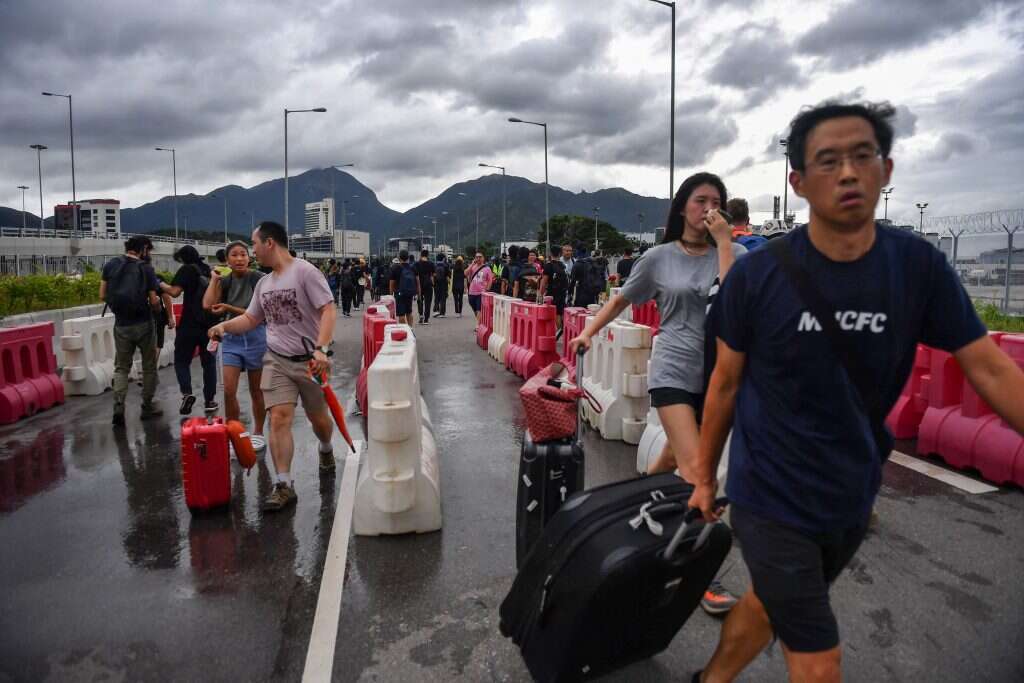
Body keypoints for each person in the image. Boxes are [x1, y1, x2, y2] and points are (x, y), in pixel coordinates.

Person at [688, 102, 1024, 683]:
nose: (847, 172)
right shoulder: (757, 276)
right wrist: (701, 477)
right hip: (768, 491)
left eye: (862, 156)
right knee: (819, 662)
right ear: (798, 181)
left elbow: (991, 371)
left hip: (850, 490)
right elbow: (725, 382)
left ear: (885, 170)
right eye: (828, 160)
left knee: (770, 604)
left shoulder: (917, 268)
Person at [570, 172, 746, 617]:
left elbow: (735, 305)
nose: (709, 208)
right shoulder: (659, 258)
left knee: (671, 459)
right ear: (682, 206)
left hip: (718, 380)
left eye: (717, 202)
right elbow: (621, 300)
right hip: (671, 371)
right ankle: (698, 571)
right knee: (699, 473)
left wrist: (725, 245)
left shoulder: (736, 254)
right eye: (700, 200)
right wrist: (589, 332)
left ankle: (632, 511)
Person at [208, 221, 338, 512]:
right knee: (278, 418)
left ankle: (326, 447)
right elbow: (251, 319)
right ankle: (283, 484)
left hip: (310, 362)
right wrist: (224, 327)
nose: (252, 251)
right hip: (275, 360)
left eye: (254, 244)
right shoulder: (264, 284)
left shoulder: (305, 272)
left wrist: (321, 349)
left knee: (319, 421)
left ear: (269, 243)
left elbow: (328, 309)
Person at [202, 240, 267, 452]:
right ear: (227, 259)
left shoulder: (259, 279)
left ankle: (258, 432)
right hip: (231, 339)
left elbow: (259, 313)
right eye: (234, 255)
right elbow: (207, 304)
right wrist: (214, 280)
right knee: (229, 391)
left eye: (243, 254)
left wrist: (229, 308)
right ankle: (235, 434)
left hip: (257, 337)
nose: (239, 259)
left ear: (249, 258)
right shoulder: (225, 280)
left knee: (257, 391)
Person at [101, 236, 164, 426]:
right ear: (143, 249)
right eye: (149, 250)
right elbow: (153, 300)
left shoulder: (111, 265)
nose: (149, 254)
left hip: (121, 325)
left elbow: (102, 294)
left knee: (121, 367)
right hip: (144, 323)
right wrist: (158, 311)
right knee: (149, 366)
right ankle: (147, 406)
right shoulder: (146, 269)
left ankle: (119, 406)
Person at [162, 245, 218, 415]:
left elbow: (174, 292)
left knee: (181, 361)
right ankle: (210, 401)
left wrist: (159, 283)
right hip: (209, 325)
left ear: (183, 258)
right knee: (209, 364)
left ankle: (187, 393)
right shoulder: (208, 270)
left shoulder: (187, 269)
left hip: (188, 324)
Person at [539, 243, 570, 332]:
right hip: (562, 293)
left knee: (553, 314)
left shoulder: (548, 266)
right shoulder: (563, 266)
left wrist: (541, 294)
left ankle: (555, 332)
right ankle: (561, 332)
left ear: (550, 253)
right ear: (560, 254)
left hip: (552, 294)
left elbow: (544, 282)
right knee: (560, 313)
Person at [389, 249, 419, 326]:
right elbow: (417, 282)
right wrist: (418, 293)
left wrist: (391, 295)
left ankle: (405, 330)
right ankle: (410, 329)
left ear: (399, 257)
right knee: (409, 312)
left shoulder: (395, 268)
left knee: (401, 314)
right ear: (408, 257)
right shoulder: (413, 268)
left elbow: (391, 283)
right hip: (409, 293)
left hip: (399, 294)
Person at [466, 252, 494, 322]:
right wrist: (472, 264)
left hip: (481, 292)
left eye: (480, 257)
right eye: (477, 257)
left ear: (483, 258)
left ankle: (478, 325)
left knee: (479, 309)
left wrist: (487, 290)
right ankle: (480, 321)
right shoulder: (472, 267)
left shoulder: (487, 268)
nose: (478, 258)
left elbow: (490, 280)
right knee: (474, 308)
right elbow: (465, 273)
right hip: (471, 292)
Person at [414, 249, 435, 325]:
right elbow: (433, 275)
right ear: (427, 255)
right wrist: (433, 283)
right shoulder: (431, 263)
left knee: (420, 300)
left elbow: (415, 275)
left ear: (421, 255)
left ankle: (421, 315)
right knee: (428, 302)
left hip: (419, 284)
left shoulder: (417, 264)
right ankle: (426, 319)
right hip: (428, 284)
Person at [433, 254, 450, 318]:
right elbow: (448, 276)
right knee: (443, 298)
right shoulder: (446, 266)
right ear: (443, 259)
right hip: (444, 284)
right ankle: (442, 313)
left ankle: (436, 311)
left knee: (436, 297)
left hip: (436, 283)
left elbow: (432, 275)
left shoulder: (434, 265)